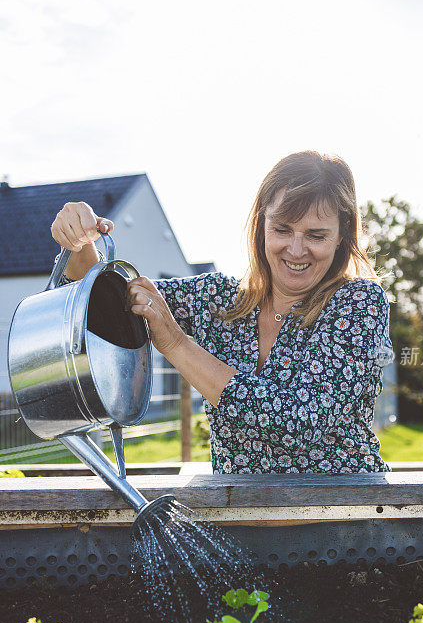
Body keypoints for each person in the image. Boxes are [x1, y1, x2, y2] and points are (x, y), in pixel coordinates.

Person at [51, 150, 395, 473]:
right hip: (237, 521)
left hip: (344, 520)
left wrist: (176, 345)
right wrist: (80, 242)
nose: (295, 249)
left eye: (316, 235)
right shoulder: (218, 297)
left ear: (342, 235)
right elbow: (108, 301)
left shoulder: (358, 303)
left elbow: (298, 423)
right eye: (281, 229)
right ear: (261, 226)